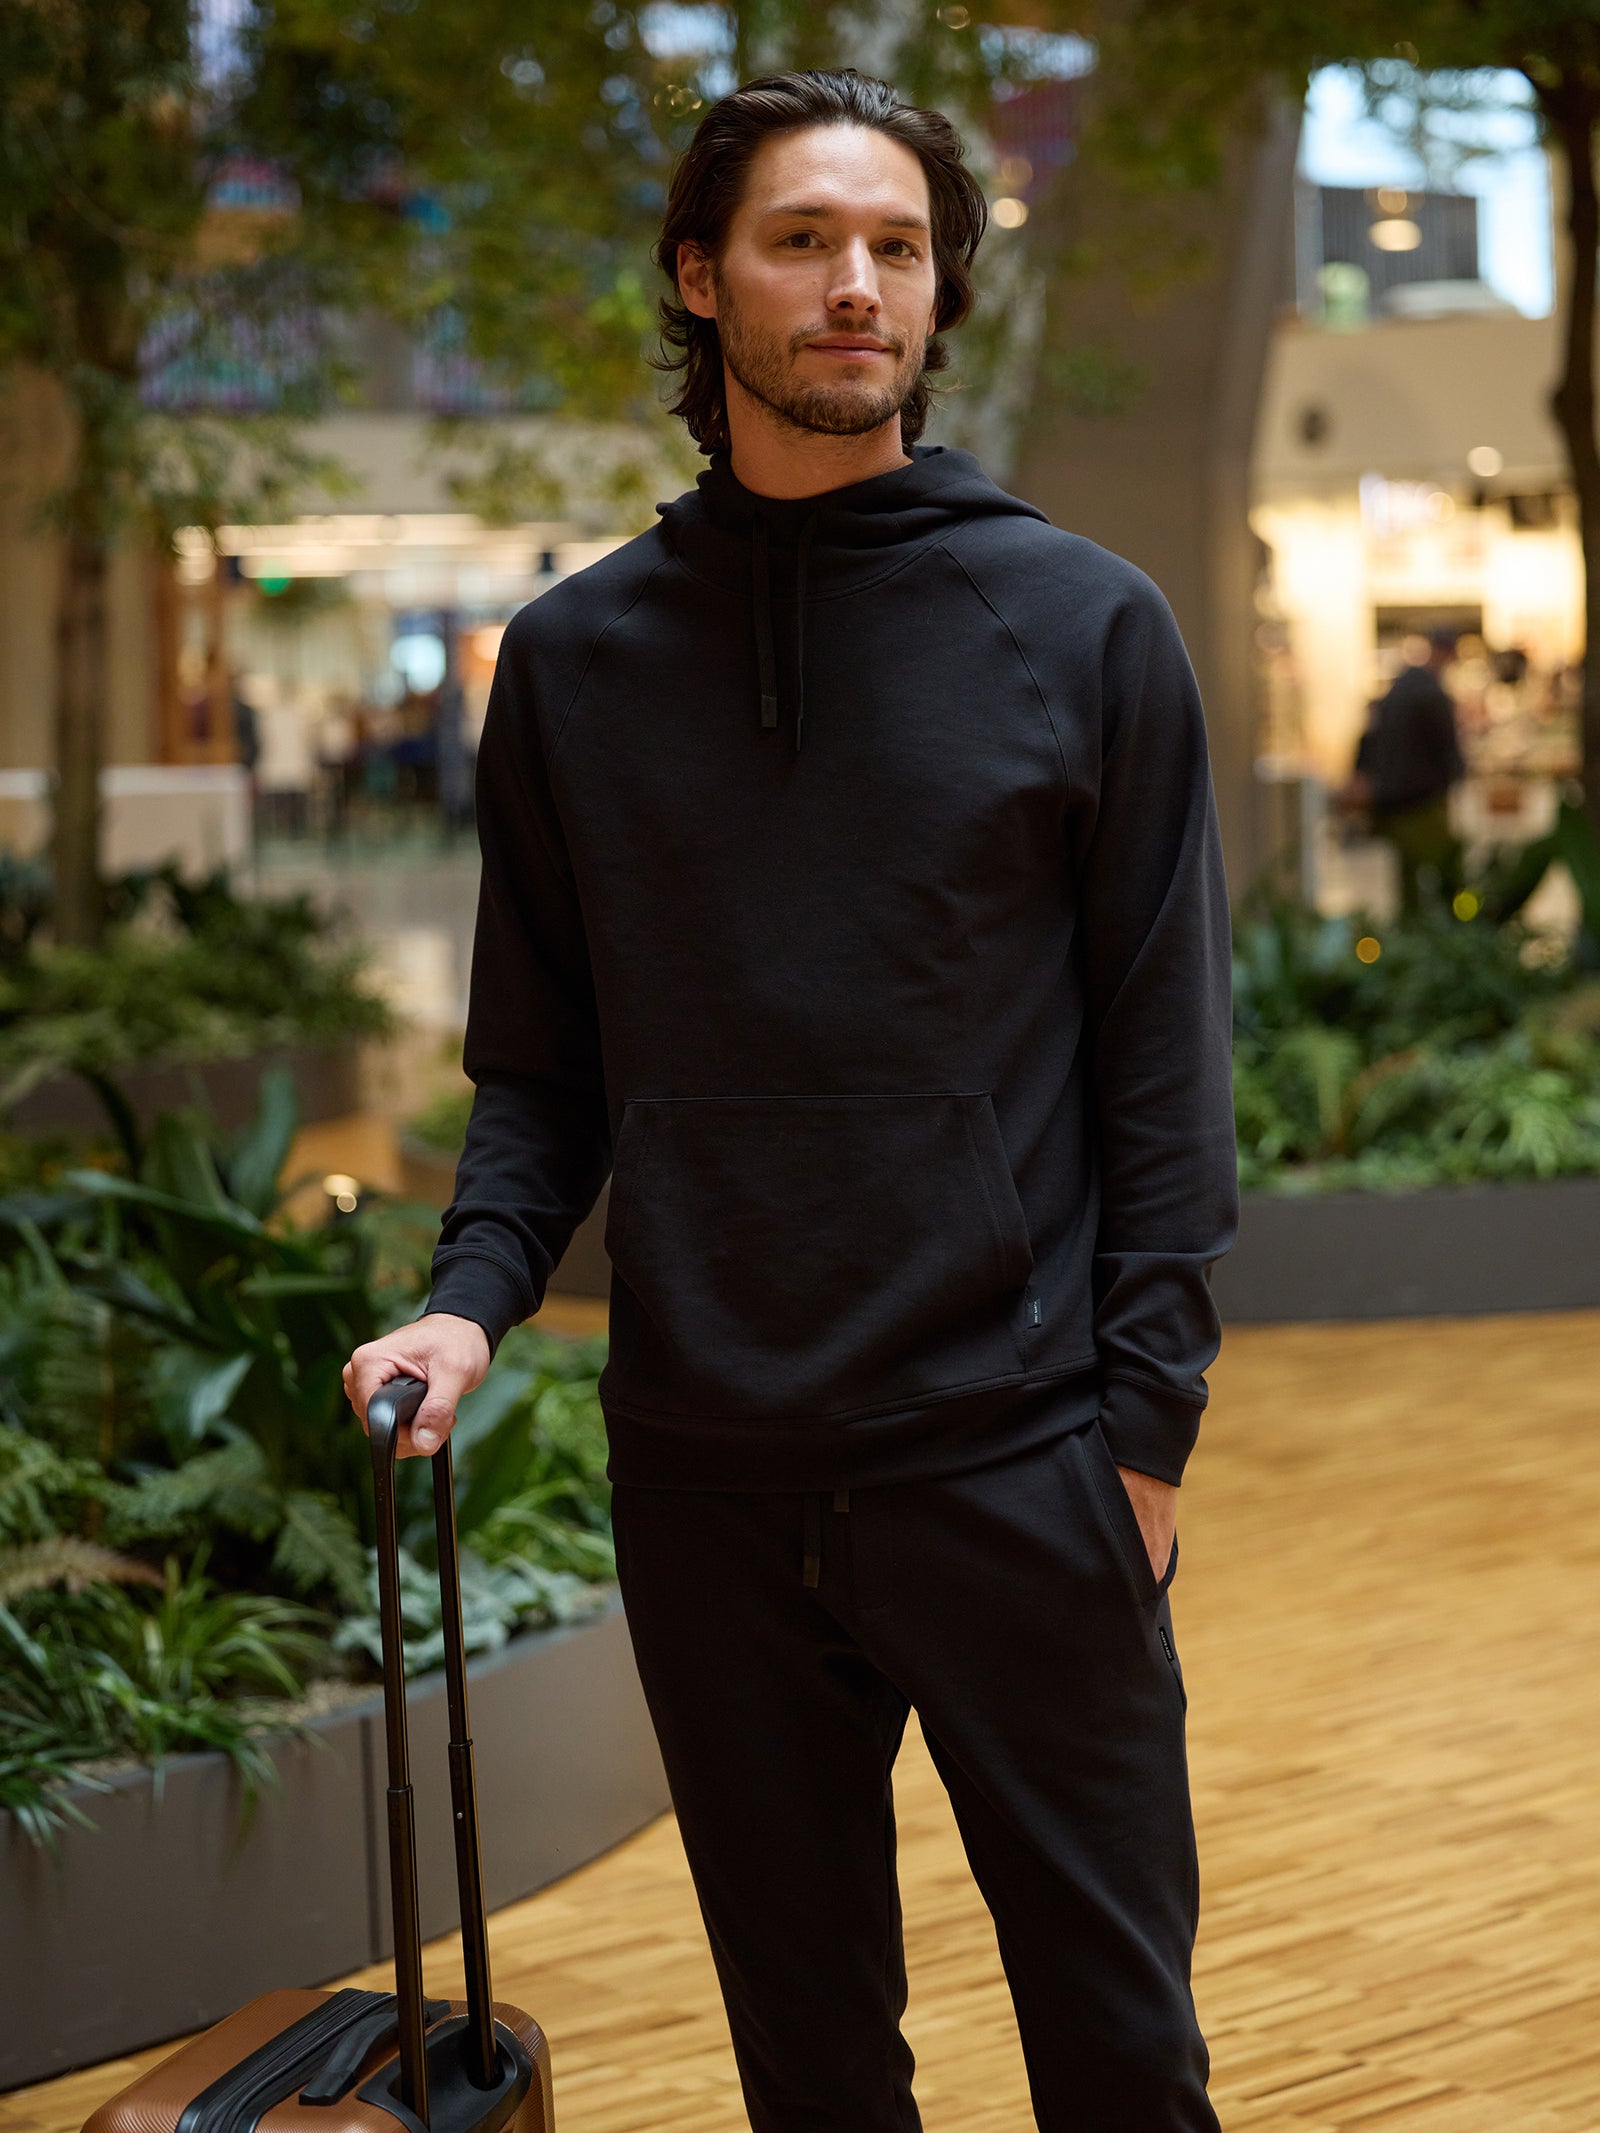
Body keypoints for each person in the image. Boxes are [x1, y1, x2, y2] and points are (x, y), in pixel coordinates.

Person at [345, 67, 1237, 2133]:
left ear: (938, 298)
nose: (856, 286)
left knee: (1123, 2062)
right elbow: (538, 1067)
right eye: (802, 240)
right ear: (697, 276)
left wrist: (1142, 1432)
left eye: (898, 249)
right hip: (707, 1474)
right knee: (813, 2073)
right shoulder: (573, 663)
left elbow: (1162, 1068)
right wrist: (469, 1296)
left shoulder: (1085, 624)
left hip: (1019, 1459)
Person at [1352, 627, 1467, 913]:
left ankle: (1412, 935)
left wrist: (1366, 778)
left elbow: (1367, 739)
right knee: (1448, 869)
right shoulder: (1432, 695)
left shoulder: (1397, 690)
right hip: (1422, 800)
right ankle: (1456, 931)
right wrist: (1456, 777)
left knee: (1408, 878)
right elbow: (1447, 749)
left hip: (1393, 799)